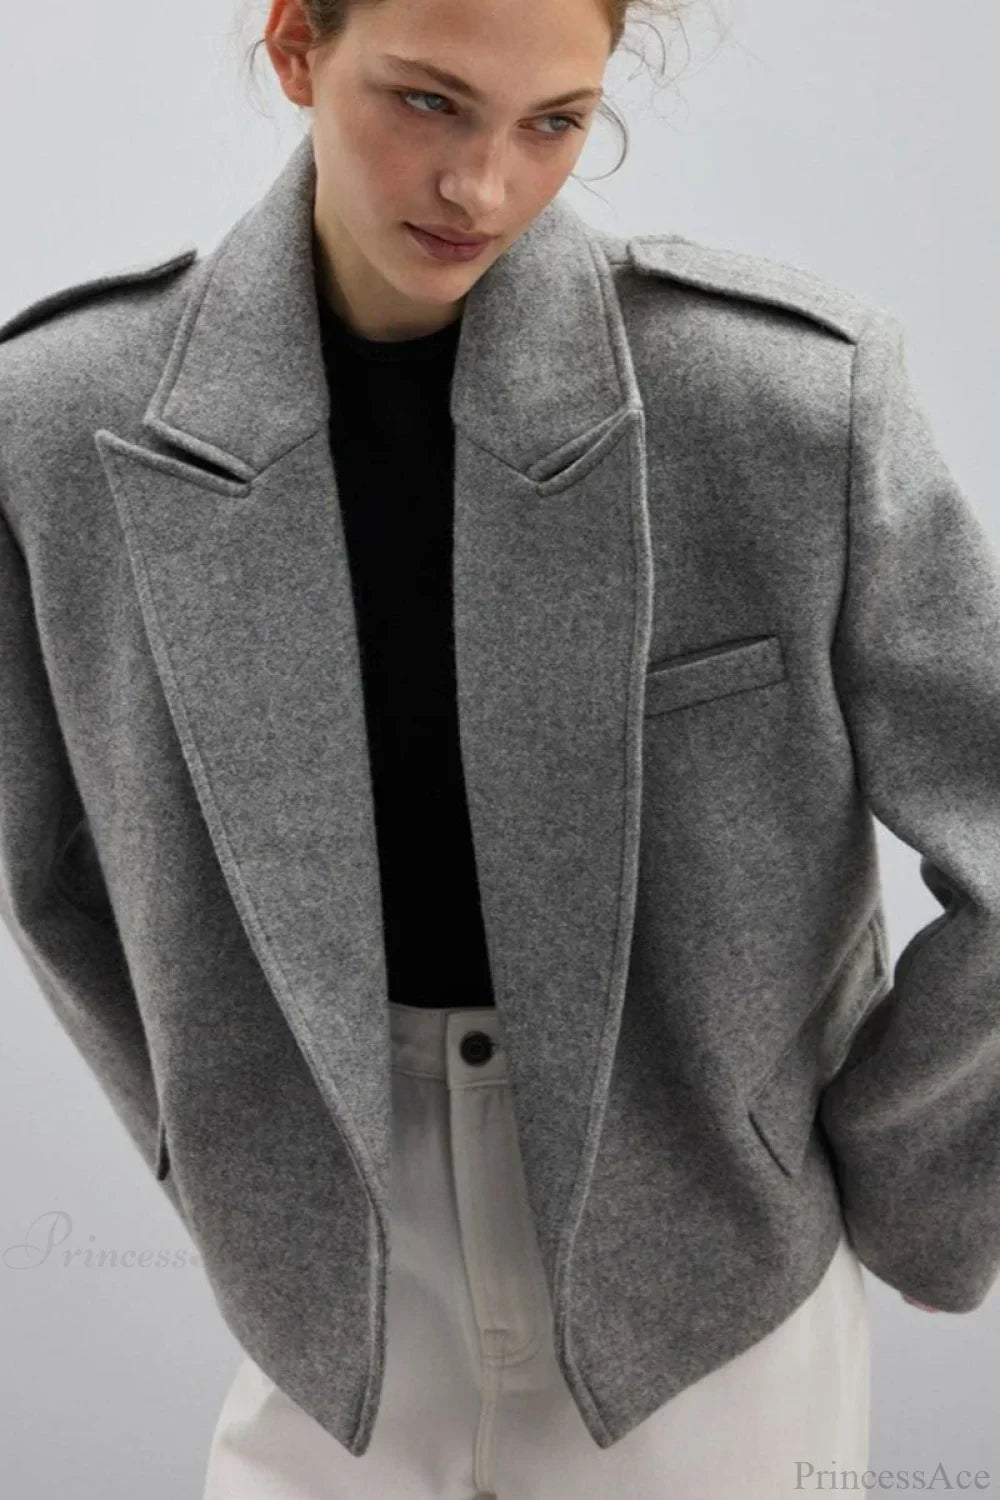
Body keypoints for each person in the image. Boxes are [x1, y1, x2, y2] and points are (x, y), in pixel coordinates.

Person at [3, 0, 994, 1496]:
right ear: (296, 47)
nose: (481, 185)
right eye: (426, 100)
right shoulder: (58, 417)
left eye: (553, 123)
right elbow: (50, 869)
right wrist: (216, 1153)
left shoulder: (782, 403)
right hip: (329, 1307)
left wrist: (881, 1168)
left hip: (709, 1290)